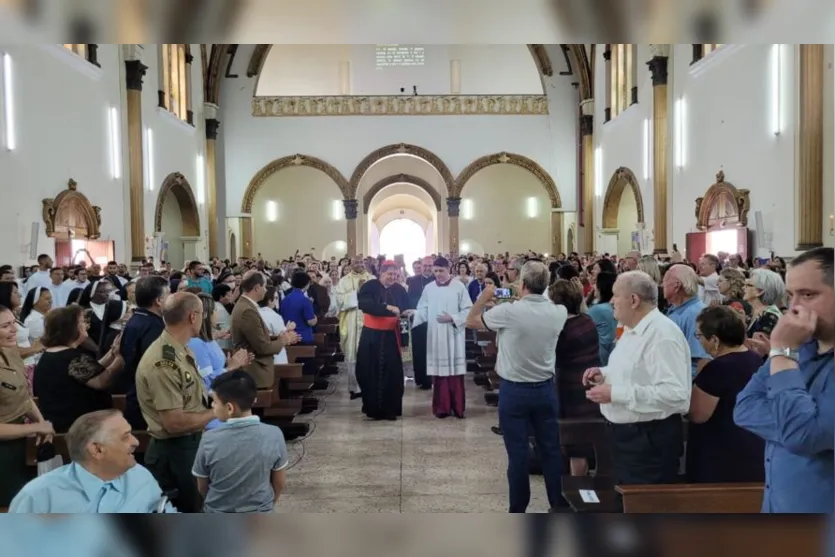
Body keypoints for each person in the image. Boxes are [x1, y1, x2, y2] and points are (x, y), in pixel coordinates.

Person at [734, 247, 834, 513]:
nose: (795, 308)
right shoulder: (800, 347)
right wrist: (798, 429)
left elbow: (802, 435)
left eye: (808, 295)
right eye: (791, 296)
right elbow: (744, 407)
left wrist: (782, 352)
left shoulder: (788, 349)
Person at [465, 261, 567, 513]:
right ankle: (558, 505)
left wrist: (484, 296)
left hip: (515, 391)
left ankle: (518, 510)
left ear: (521, 284)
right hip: (545, 389)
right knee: (552, 452)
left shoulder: (509, 312)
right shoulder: (559, 312)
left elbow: (471, 321)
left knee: (518, 454)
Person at [583, 271, 691, 487]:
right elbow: (636, 370)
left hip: (648, 441)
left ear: (633, 300)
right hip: (627, 437)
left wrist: (614, 393)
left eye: (616, 295)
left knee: (645, 510)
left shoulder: (662, 336)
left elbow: (676, 394)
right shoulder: (634, 330)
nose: (611, 301)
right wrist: (603, 374)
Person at [135, 292, 215, 513]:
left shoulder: (181, 349)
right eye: (202, 313)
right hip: (175, 452)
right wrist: (217, 411)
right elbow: (174, 423)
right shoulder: (164, 361)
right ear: (192, 317)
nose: (203, 318)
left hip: (189, 445)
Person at [9, 410, 176, 513]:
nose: (136, 442)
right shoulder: (39, 496)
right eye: (125, 437)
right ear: (97, 450)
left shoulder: (142, 478)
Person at [686, 306, 764, 483]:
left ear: (714, 339)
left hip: (722, 453)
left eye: (699, 335)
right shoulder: (755, 359)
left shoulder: (717, 369)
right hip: (753, 447)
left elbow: (698, 414)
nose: (698, 340)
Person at [192, 371, 289, 513]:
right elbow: (279, 483)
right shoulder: (274, 434)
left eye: (215, 401)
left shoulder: (209, 439)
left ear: (230, 408)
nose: (212, 405)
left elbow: (202, 487)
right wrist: (266, 506)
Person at [33, 305, 122, 433]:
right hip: (77, 427)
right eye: (81, 322)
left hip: (63, 422)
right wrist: (120, 360)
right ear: (70, 328)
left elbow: (90, 371)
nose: (86, 324)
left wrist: (112, 352)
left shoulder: (55, 354)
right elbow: (102, 381)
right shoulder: (72, 358)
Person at [0, 304, 54, 507]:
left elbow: (23, 395)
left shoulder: (10, 351)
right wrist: (34, 427)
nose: (14, 330)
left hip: (18, 438)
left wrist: (40, 420)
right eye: (5, 326)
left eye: (14, 322)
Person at [411, 257, 473, 419]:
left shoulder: (459, 287)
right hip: (436, 335)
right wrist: (414, 314)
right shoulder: (429, 289)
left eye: (441, 271)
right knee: (439, 374)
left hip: (453, 335)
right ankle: (442, 407)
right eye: (435, 271)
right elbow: (423, 309)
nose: (438, 274)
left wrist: (452, 318)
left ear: (449, 269)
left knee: (454, 373)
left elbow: (468, 310)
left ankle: (458, 407)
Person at [355, 260, 410, 421]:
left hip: (391, 337)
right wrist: (386, 308)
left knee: (392, 373)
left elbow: (405, 309)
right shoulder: (369, 286)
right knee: (368, 371)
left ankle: (390, 409)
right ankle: (372, 408)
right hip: (371, 336)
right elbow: (366, 305)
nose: (392, 277)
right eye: (389, 274)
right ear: (381, 273)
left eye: (395, 274)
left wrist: (407, 316)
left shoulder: (399, 289)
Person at [231, 271, 300, 390]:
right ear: (257, 288)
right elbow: (262, 347)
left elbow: (257, 337)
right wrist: (283, 341)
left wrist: (279, 338)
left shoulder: (246, 305)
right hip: (255, 370)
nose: (266, 290)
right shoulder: (247, 310)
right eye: (264, 286)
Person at [118, 276, 168, 431]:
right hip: (148, 401)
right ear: (159, 301)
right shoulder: (154, 326)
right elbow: (156, 365)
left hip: (136, 393)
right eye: (168, 295)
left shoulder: (136, 319)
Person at [406, 257, 435, 390]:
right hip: (418, 320)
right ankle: (421, 379)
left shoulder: (438, 280)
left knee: (433, 350)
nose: (428, 268)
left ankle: (434, 378)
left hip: (435, 320)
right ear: (421, 266)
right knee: (419, 350)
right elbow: (410, 299)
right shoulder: (413, 280)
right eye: (425, 266)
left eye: (430, 266)